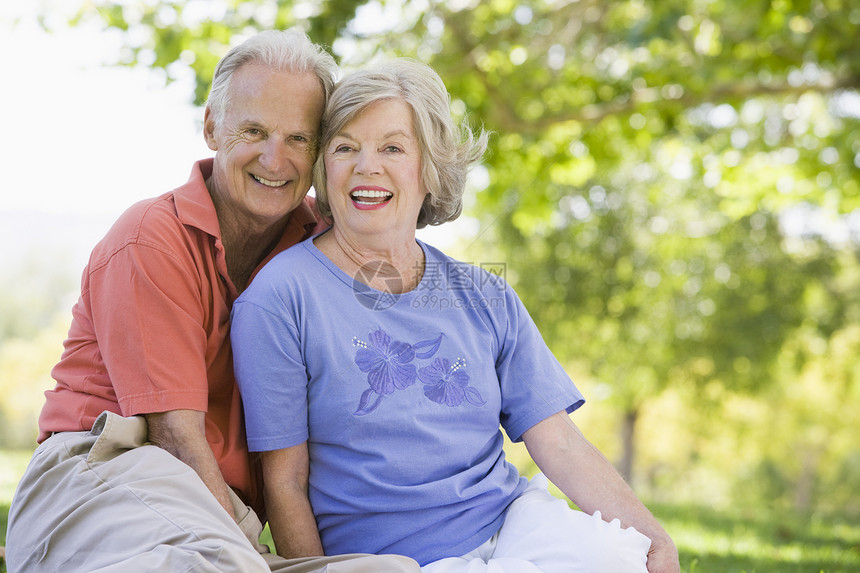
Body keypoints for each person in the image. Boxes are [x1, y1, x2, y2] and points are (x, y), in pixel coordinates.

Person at [230, 59, 681, 573]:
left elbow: (556, 440)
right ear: (323, 169)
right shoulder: (280, 298)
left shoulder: (482, 292)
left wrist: (653, 537)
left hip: (514, 527)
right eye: (345, 147)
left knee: (619, 556)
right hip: (395, 560)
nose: (366, 166)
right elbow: (284, 481)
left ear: (430, 169)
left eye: (393, 148)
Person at [6, 30, 419, 573]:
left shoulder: (321, 242)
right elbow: (175, 437)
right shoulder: (150, 240)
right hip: (100, 479)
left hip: (210, 514)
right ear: (211, 128)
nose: (276, 159)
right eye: (254, 131)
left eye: (298, 138)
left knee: (387, 571)